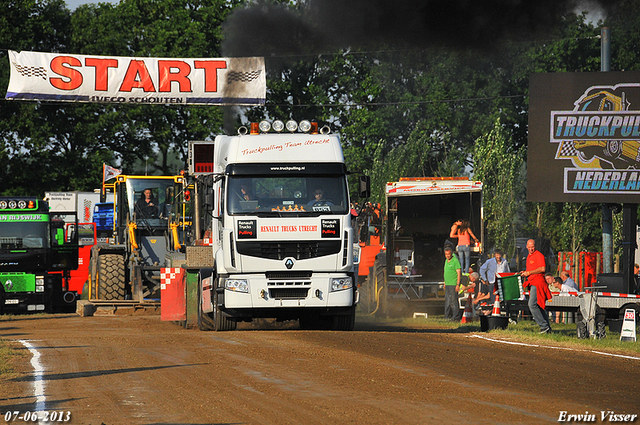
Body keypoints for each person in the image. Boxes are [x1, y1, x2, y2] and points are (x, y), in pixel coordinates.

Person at [521, 239, 552, 334]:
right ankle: (547, 328)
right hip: (532, 282)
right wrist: (525, 273)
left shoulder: (539, 255)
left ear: (535, 246)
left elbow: (543, 268)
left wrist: (529, 272)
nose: (531, 248)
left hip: (538, 282)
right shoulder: (529, 257)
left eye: (532, 246)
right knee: (538, 305)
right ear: (526, 246)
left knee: (532, 304)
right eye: (529, 247)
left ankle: (543, 326)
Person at [443, 246, 461, 321]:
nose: (447, 256)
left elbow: (459, 273)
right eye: (446, 254)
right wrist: (444, 282)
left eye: (448, 254)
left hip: (453, 284)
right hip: (447, 284)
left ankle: (456, 317)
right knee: (447, 301)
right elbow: (445, 272)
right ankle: (446, 317)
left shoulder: (455, 261)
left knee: (454, 301)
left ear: (451, 254)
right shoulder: (446, 261)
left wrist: (457, 284)